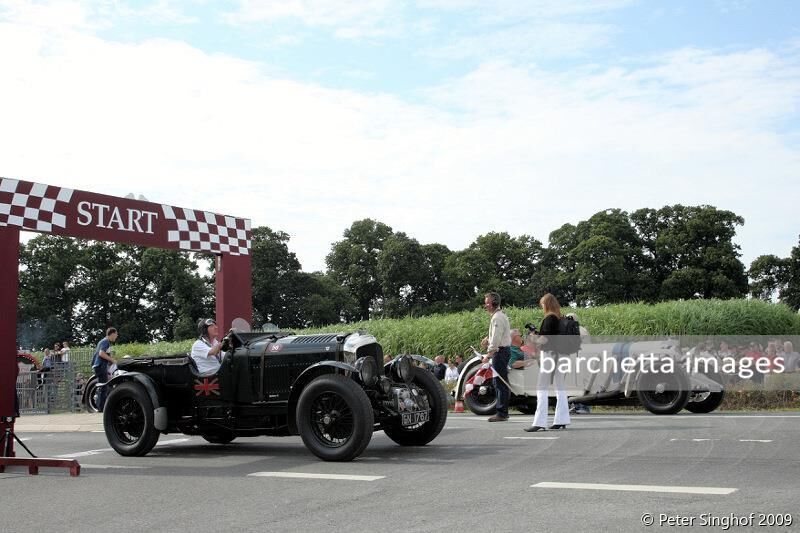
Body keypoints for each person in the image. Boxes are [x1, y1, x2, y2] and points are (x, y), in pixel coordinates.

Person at [526, 293, 570, 432]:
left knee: (542, 387)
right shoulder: (560, 318)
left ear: (546, 304)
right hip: (562, 355)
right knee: (560, 388)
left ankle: (539, 422)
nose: (542, 307)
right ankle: (561, 419)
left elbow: (544, 340)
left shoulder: (549, 318)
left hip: (550, 355)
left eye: (542, 304)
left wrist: (533, 338)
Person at [480, 291, 511, 422]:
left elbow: (497, 339)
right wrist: (488, 338)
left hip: (500, 352)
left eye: (487, 303)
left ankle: (502, 413)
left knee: (500, 383)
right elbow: (498, 335)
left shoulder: (497, 317)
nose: (485, 305)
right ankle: (503, 411)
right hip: (502, 351)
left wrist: (488, 354)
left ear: (493, 303)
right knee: (500, 382)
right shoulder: (500, 316)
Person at [91, 327, 118, 412]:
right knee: (104, 386)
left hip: (98, 365)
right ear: (112, 334)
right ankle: (101, 408)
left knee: (102, 386)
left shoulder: (102, 341)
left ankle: (100, 407)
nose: (116, 336)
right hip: (100, 366)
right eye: (116, 334)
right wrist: (112, 360)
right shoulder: (106, 341)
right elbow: (101, 353)